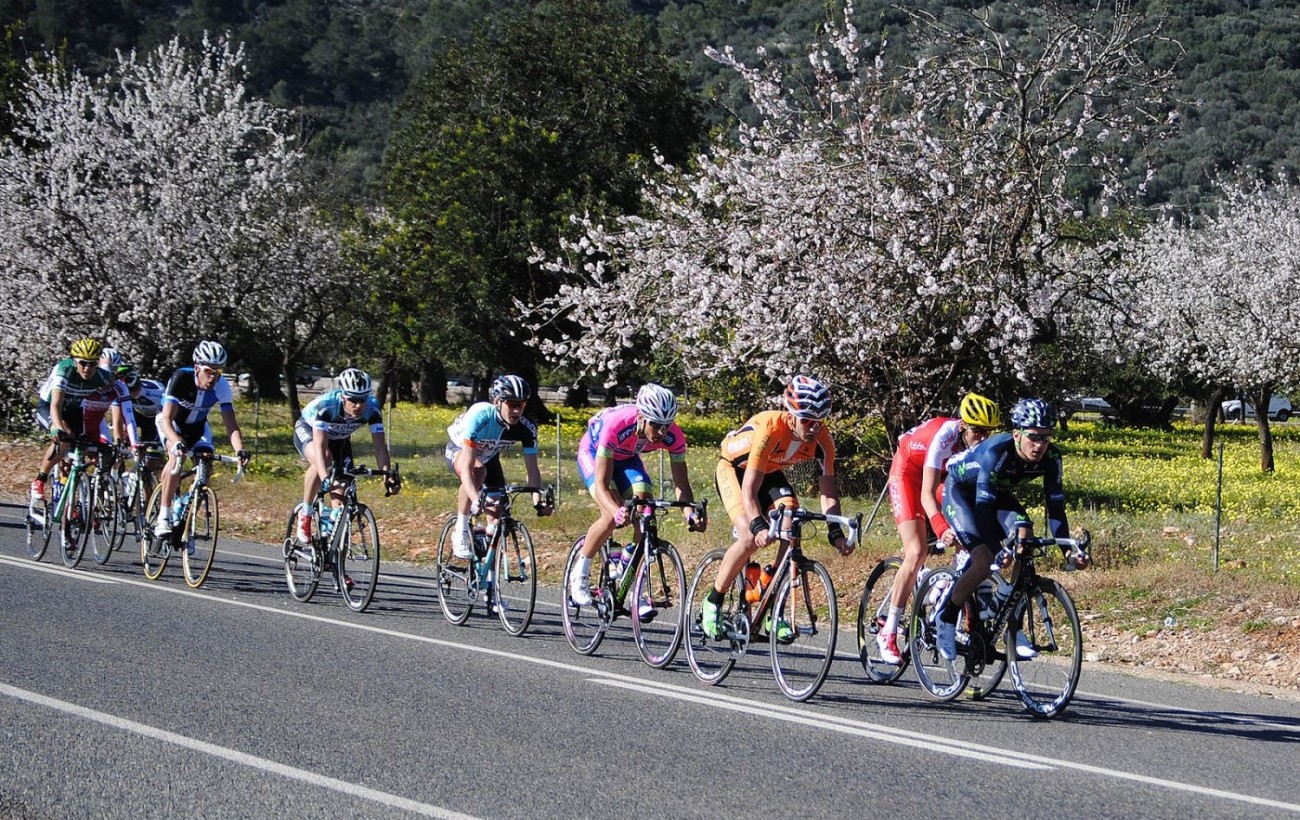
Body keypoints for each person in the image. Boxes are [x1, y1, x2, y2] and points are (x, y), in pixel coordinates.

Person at [934, 397, 1090, 661]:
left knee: (1024, 536)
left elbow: (1056, 509)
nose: (1040, 445)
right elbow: (983, 510)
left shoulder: (1052, 457)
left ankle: (1010, 621)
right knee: (983, 561)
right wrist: (996, 550)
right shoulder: (997, 452)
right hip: (962, 494)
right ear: (1016, 433)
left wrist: (1068, 553)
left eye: (1046, 437)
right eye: (1033, 437)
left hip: (995, 493)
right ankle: (946, 618)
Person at [700, 375, 853, 641]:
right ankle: (713, 600)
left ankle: (773, 606)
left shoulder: (823, 441)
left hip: (769, 473)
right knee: (749, 536)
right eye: (807, 420)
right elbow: (749, 490)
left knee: (791, 526)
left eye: (820, 421)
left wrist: (835, 532)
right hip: (735, 471)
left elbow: (828, 492)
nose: (813, 428)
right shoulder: (770, 427)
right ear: (791, 414)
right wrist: (758, 524)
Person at [875, 392, 1001, 665]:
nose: (982, 439)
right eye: (977, 432)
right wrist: (942, 527)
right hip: (908, 472)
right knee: (917, 551)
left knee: (969, 529)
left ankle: (945, 582)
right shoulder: (944, 436)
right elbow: (926, 494)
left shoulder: (980, 446)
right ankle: (889, 631)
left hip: (944, 476)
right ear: (964, 427)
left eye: (988, 433)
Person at [566, 383, 702, 613]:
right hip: (593, 452)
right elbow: (601, 485)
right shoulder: (617, 425)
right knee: (610, 516)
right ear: (641, 417)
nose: (661, 433)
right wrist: (616, 509)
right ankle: (579, 573)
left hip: (628, 459)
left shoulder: (674, 436)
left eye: (667, 426)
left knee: (645, 507)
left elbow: (682, 484)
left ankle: (630, 576)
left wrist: (690, 513)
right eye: (656, 425)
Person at [444, 375, 552, 560]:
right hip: (461, 450)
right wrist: (476, 499)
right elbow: (469, 468)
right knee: (478, 471)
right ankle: (460, 529)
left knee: (496, 519)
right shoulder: (480, 417)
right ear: (497, 402)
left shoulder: (527, 428)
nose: (517, 410)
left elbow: (532, 470)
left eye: (521, 404)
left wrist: (537, 499)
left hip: (489, 457)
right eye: (511, 404)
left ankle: (488, 577)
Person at [153, 341, 250, 536]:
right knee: (176, 460)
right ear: (197, 368)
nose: (213, 376)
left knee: (205, 470)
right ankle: (163, 517)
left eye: (218, 371)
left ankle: (185, 517)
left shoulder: (221, 385)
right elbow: (166, 418)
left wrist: (239, 450)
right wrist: (176, 441)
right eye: (208, 371)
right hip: (172, 425)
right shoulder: (181, 378)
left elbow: (231, 425)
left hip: (198, 427)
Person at [294, 367, 399, 544]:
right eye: (353, 400)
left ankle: (336, 557)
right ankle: (306, 513)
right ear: (343, 396)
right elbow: (320, 447)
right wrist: (325, 477)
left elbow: (380, 447)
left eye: (363, 400)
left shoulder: (372, 409)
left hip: (340, 439)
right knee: (325, 459)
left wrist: (387, 476)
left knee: (343, 496)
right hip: (309, 431)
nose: (359, 405)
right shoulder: (327, 407)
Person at [31, 338, 117, 503]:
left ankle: (69, 499)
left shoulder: (102, 376)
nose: (87, 368)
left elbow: (117, 390)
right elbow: (56, 404)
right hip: (49, 406)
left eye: (93, 364)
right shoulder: (65, 370)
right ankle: (40, 480)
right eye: (83, 363)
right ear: (74, 361)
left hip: (74, 409)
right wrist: (56, 428)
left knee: (80, 450)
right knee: (66, 436)